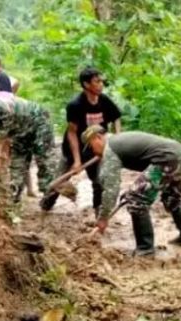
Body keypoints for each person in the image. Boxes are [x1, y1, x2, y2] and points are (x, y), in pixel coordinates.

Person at [82, 126, 181, 256]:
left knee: (137, 200)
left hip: (166, 159)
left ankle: (145, 249)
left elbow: (111, 189)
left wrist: (103, 217)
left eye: (91, 146)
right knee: (171, 197)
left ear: (98, 137)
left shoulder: (110, 148)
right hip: (180, 154)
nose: (93, 152)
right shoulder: (119, 141)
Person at [40, 67, 122, 216]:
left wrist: (118, 139)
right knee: (58, 183)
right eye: (97, 81)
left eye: (101, 81)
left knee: (98, 181)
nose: (101, 84)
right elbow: (72, 133)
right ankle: (46, 205)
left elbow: (116, 117)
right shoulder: (75, 105)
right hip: (73, 149)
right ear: (86, 84)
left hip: (95, 150)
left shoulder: (104, 101)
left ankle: (98, 213)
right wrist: (77, 161)